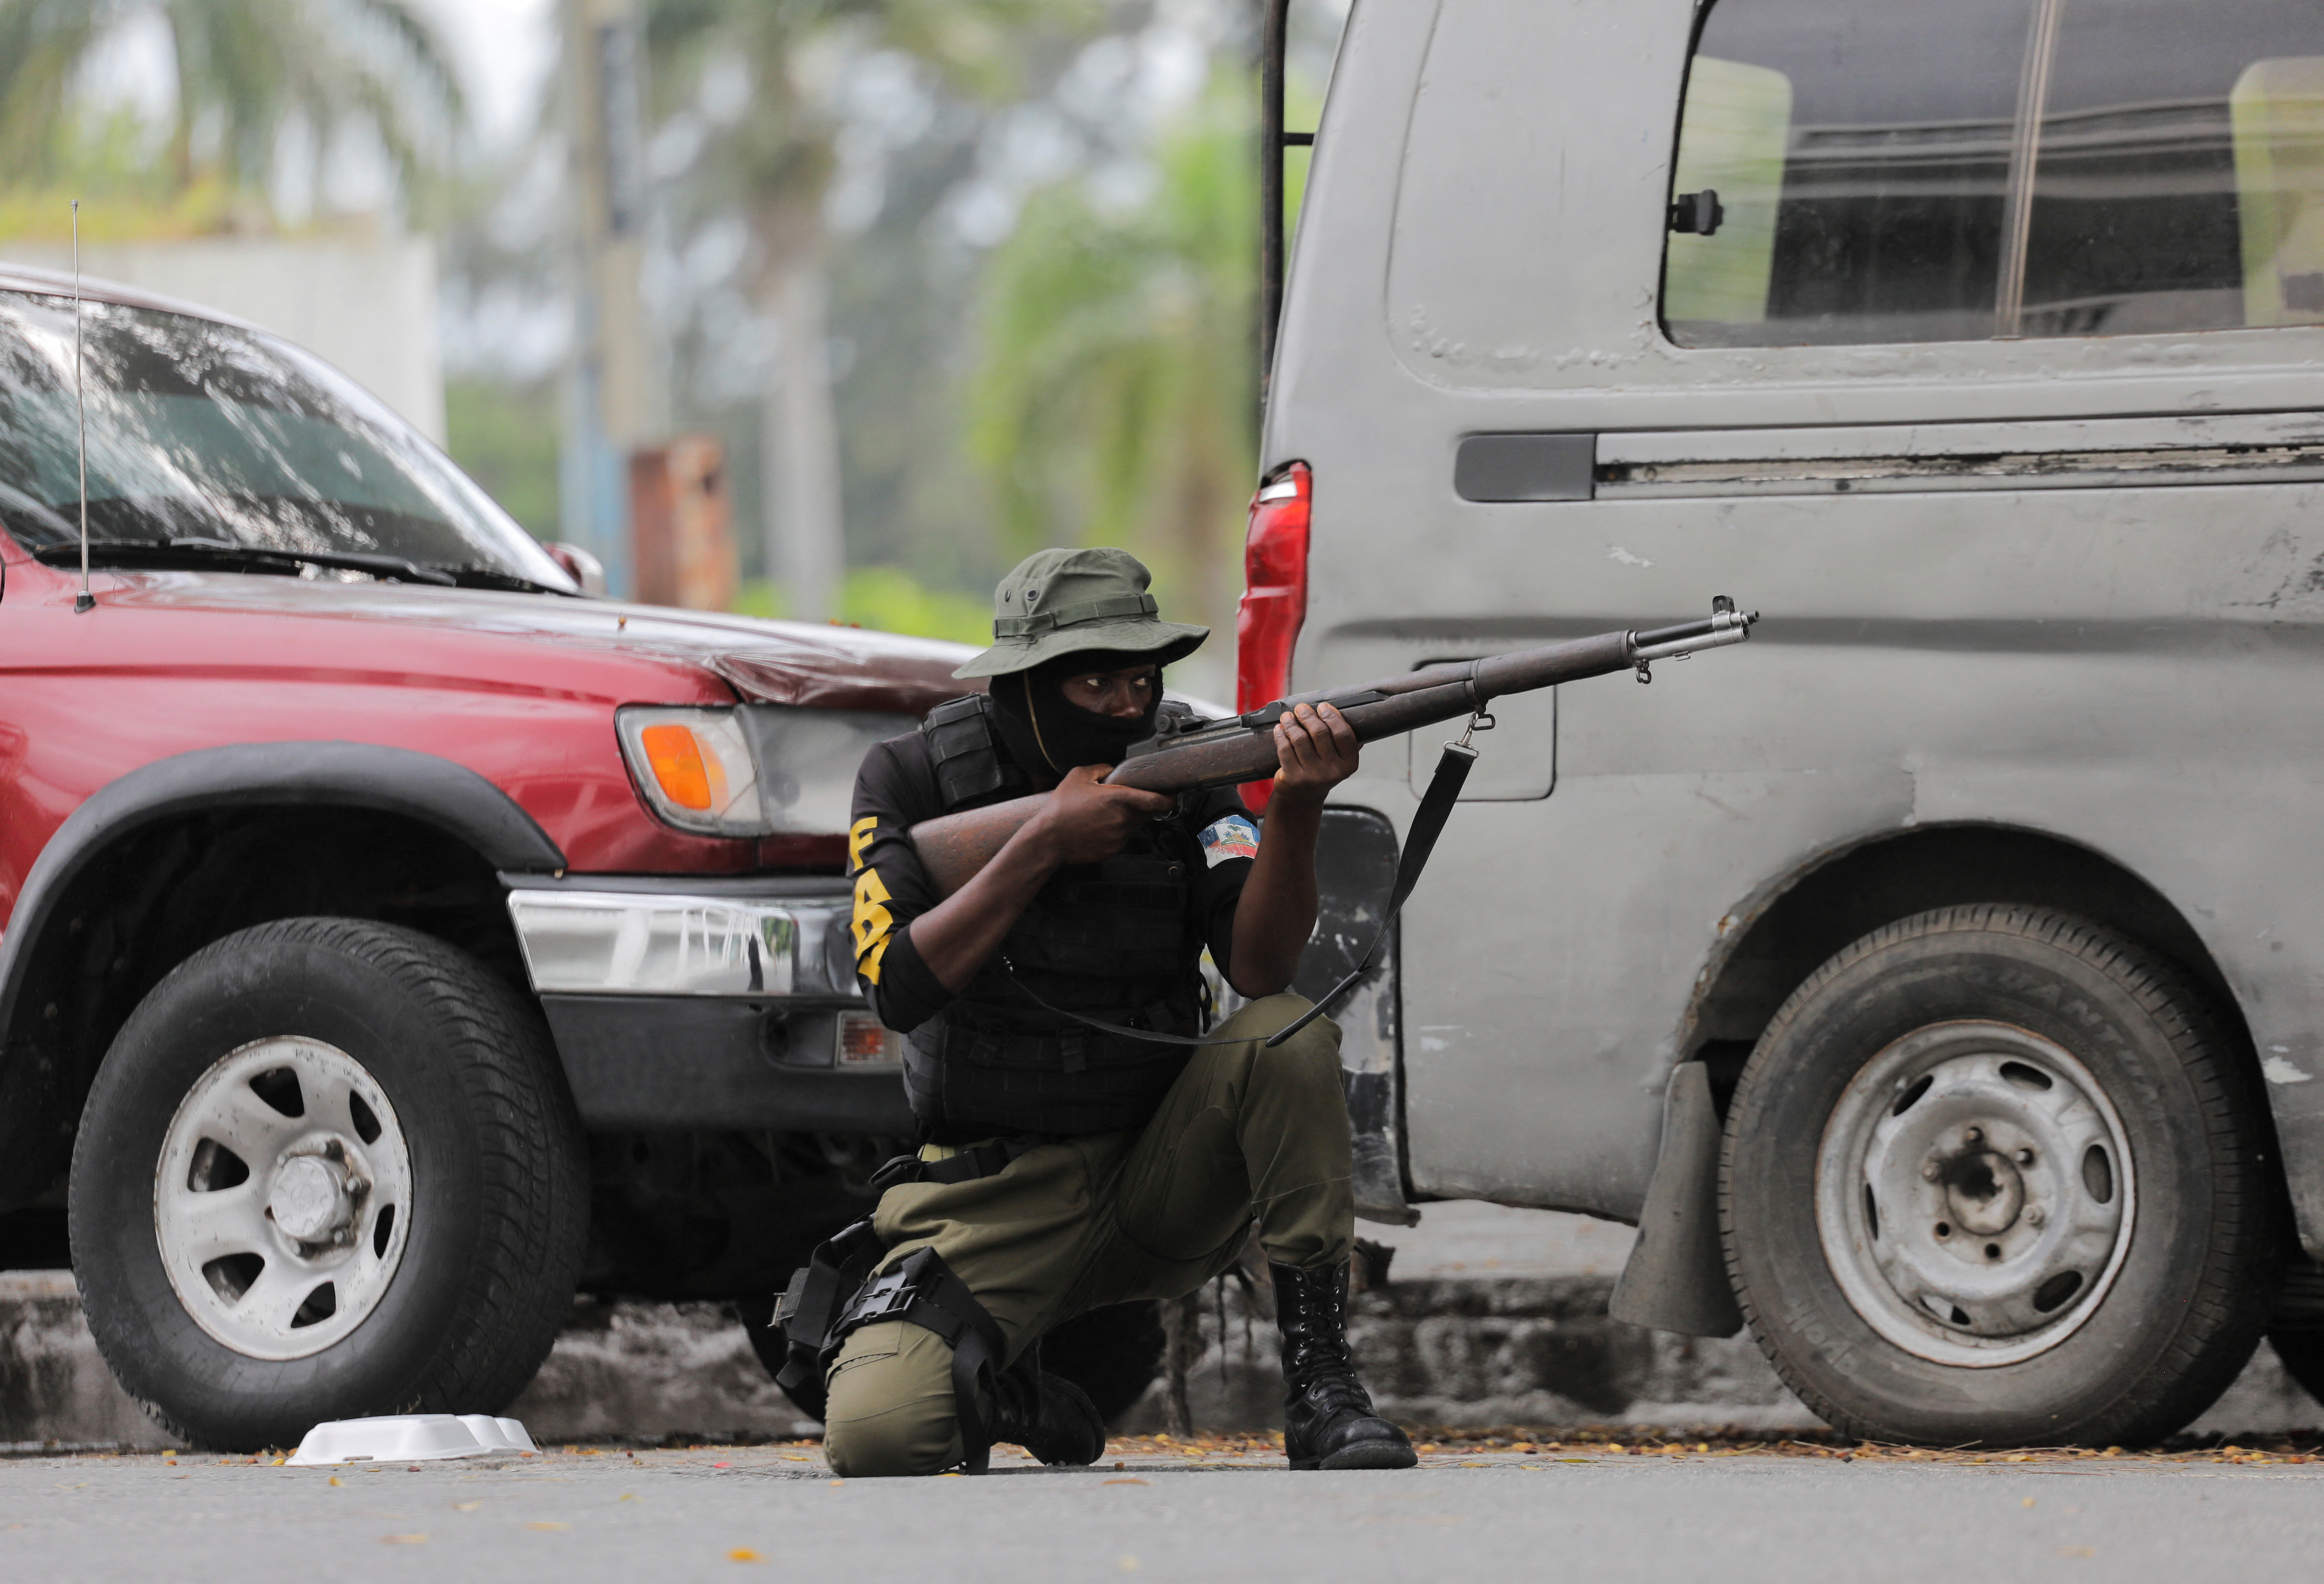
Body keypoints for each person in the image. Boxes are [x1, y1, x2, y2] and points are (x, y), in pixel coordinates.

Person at [824, 546, 1416, 1476]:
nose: (1123, 704)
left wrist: (1296, 807)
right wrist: (1040, 844)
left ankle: (1322, 1384)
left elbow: (1259, 970)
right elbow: (897, 986)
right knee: (878, 1438)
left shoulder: (1187, 764)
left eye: (1139, 679)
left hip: (1161, 1169)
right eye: (1092, 681)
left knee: (1284, 1033)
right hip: (992, 1197)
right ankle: (1006, 1384)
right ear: (1019, 686)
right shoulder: (906, 777)